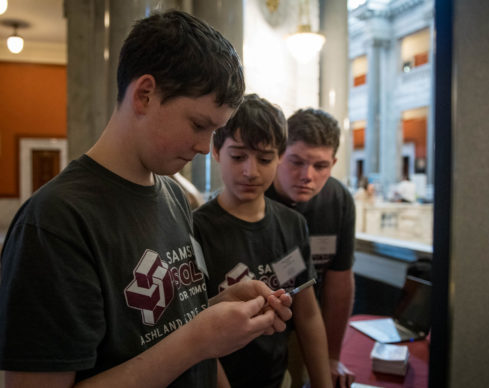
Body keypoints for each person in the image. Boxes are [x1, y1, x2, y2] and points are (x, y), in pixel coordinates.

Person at [0, 11, 292, 388]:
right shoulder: (55, 222)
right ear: (145, 94)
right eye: (198, 125)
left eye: (215, 131)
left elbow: (155, 330)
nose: (206, 148)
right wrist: (196, 340)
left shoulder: (172, 193)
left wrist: (219, 312)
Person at [192, 94, 332, 388]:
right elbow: (194, 330)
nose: (250, 171)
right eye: (239, 156)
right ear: (216, 151)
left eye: (265, 158)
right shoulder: (196, 228)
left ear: (279, 156)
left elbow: (306, 314)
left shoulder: (293, 224)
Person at [265, 108, 356, 388]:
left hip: (310, 320)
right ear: (280, 154)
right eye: (296, 162)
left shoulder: (338, 199)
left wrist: (331, 356)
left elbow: (339, 281)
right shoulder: (254, 192)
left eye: (320, 166)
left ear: (334, 162)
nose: (307, 176)